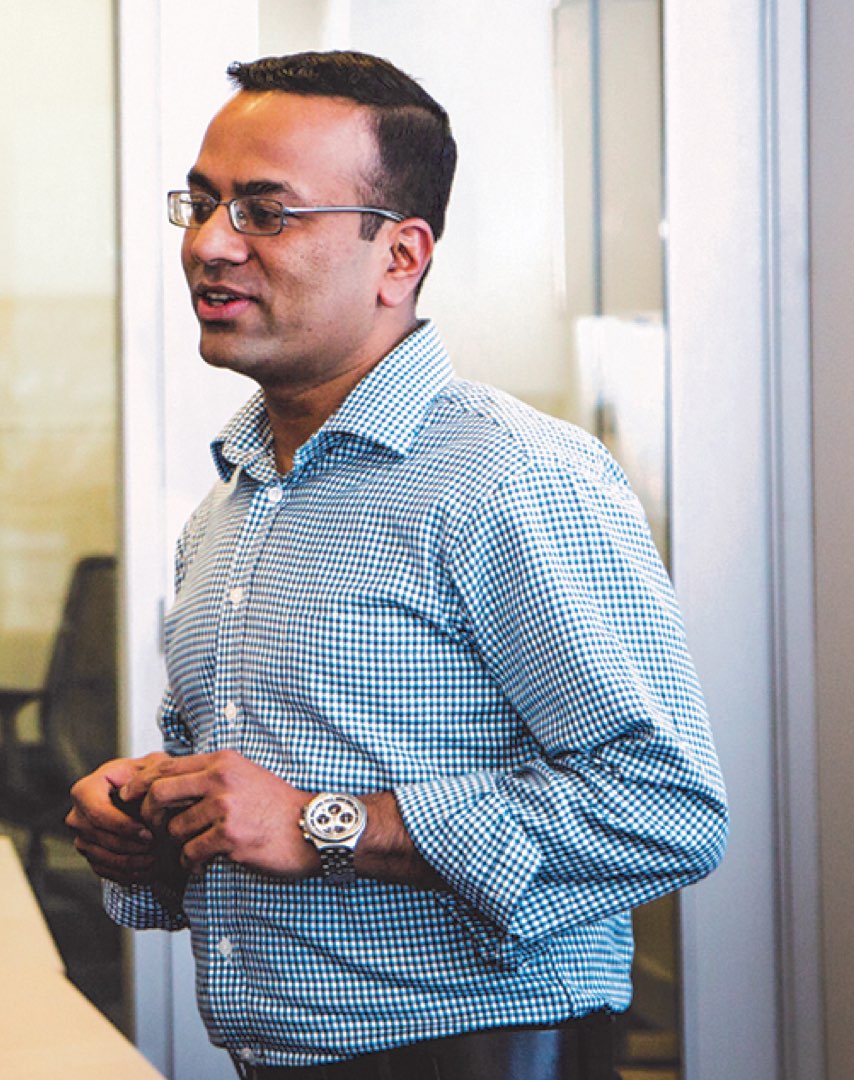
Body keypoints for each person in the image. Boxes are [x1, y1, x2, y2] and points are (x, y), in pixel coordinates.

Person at [65, 51, 727, 1079]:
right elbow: (248, 814)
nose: (208, 244)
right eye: (200, 205)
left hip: (482, 1053)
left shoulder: (511, 478)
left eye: (265, 212)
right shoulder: (231, 507)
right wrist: (153, 826)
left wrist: (325, 825)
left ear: (399, 255)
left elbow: (665, 806)